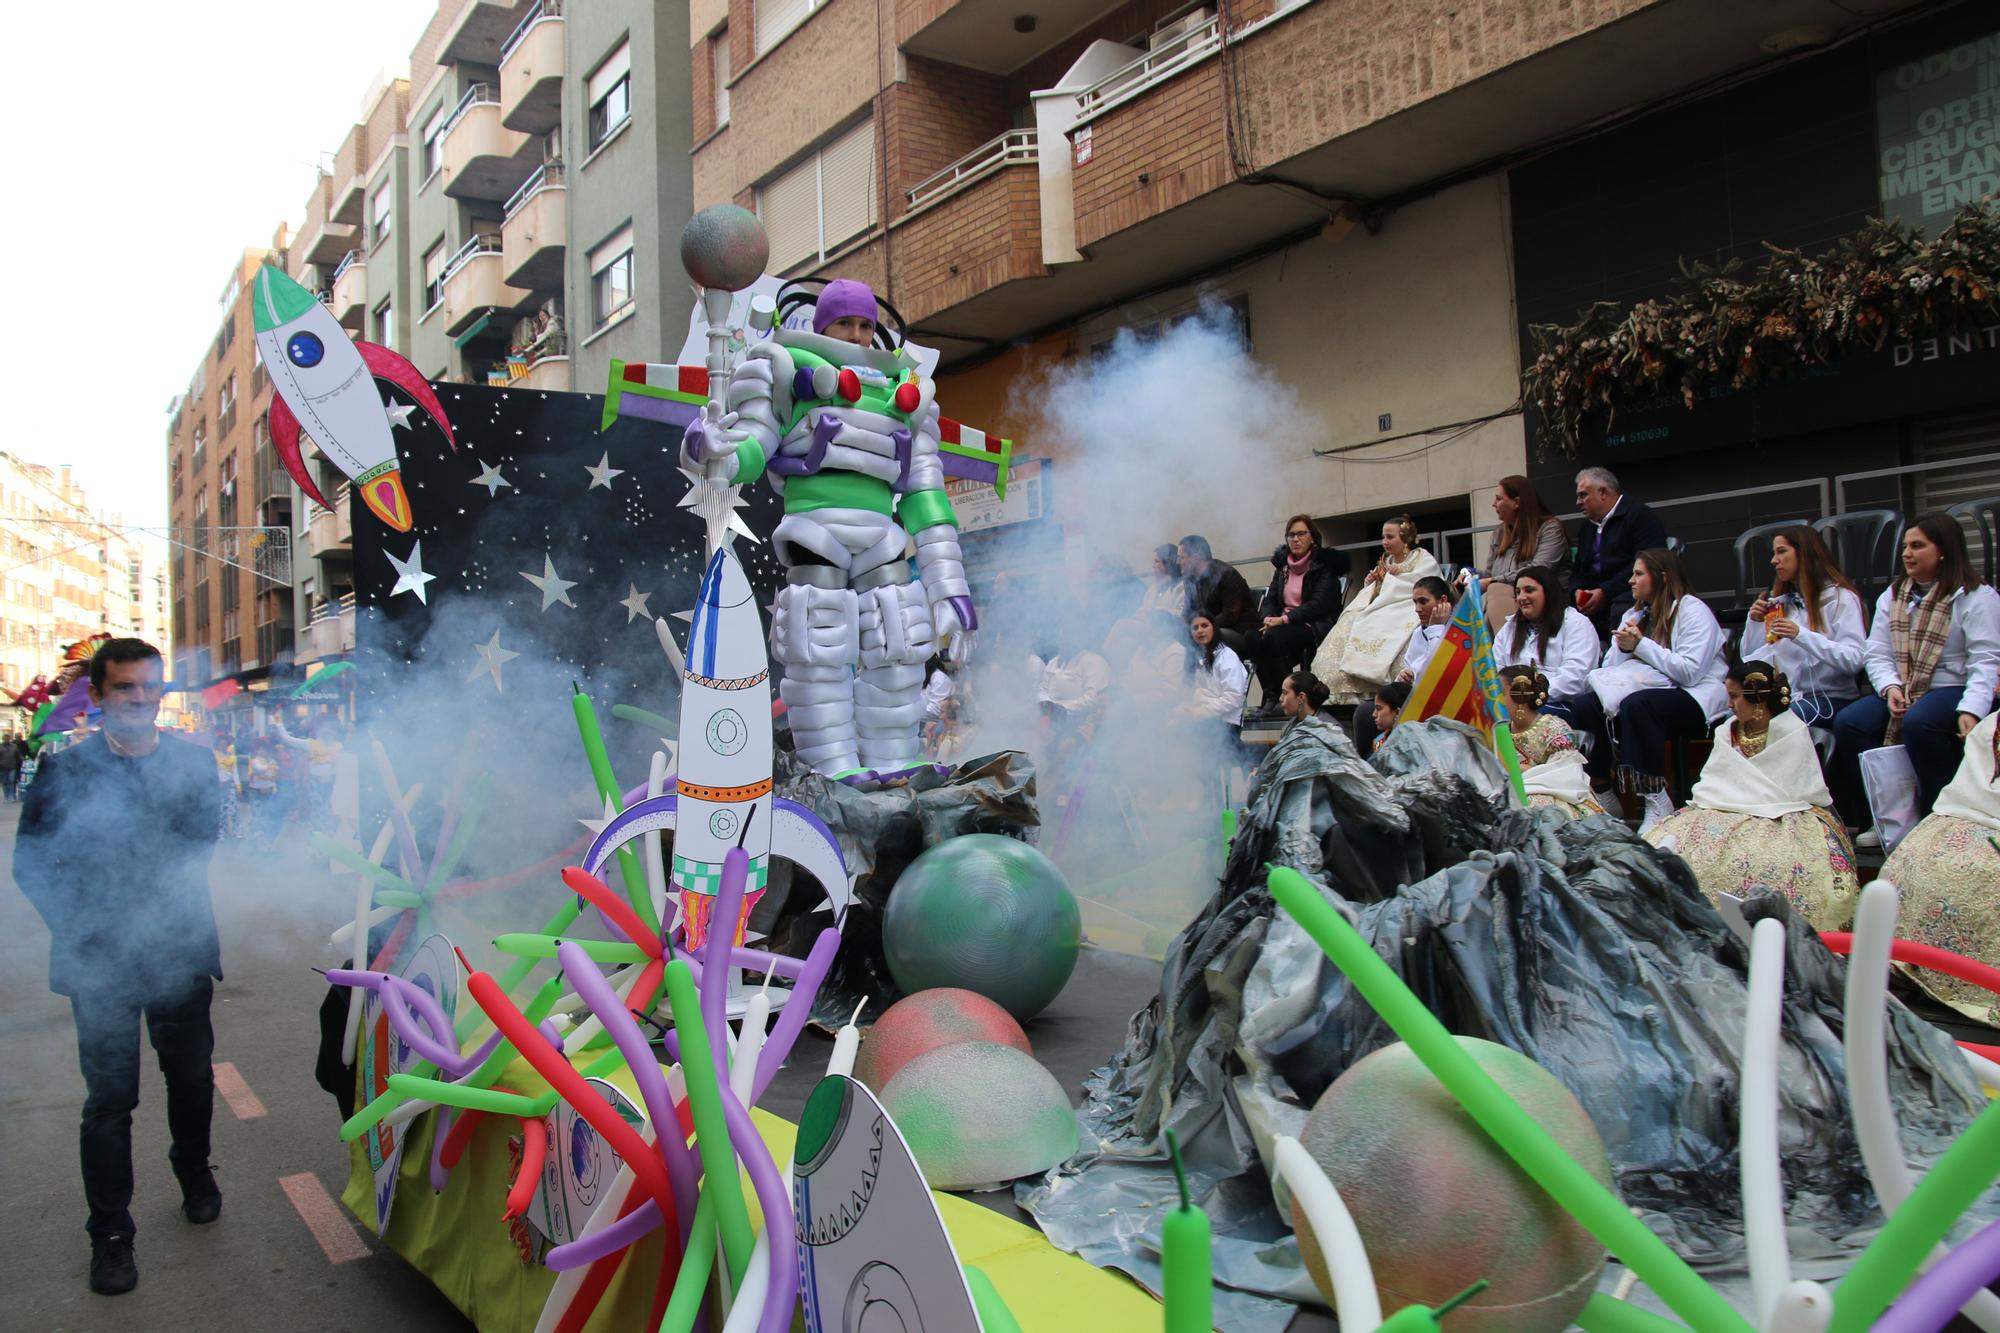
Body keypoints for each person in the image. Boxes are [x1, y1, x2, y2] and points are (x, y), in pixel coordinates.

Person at [12, 639, 224, 1296]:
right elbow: (31, 864)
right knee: (109, 1100)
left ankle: (192, 1165)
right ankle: (110, 1232)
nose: (138, 700)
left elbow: (203, 842)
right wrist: (85, 927)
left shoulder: (194, 762)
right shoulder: (64, 770)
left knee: (190, 1081)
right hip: (99, 960)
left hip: (179, 950)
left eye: (148, 688)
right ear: (98, 696)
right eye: (124, 688)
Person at [1644, 664, 1859, 931]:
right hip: (1721, 803)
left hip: (1782, 809)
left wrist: (1751, 801)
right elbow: (1716, 778)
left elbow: (1794, 784)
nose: (1729, 704)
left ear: (1757, 699)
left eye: (1735, 696)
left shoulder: (1791, 730)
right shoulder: (1727, 731)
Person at [1829, 513, 2000, 839]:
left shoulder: (1976, 597)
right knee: (1850, 722)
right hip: (1905, 685)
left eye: (1917, 546)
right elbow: (1876, 652)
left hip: (1954, 686)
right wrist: (1890, 686)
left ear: (1944, 551)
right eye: (1906, 546)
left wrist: (1971, 710)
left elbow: (1986, 661)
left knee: (1921, 721)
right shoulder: (1893, 596)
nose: (1907, 553)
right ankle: (1882, 819)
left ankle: (1937, 818)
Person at [1571, 548, 1729, 832]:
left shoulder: (1692, 609)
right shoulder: (1635, 613)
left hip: (1694, 695)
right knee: (1585, 705)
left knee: (1638, 705)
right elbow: (1611, 669)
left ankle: (1656, 799)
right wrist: (1623, 647)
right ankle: (1603, 789)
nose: (1631, 580)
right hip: (1648, 690)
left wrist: (1641, 645)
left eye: (1639, 573)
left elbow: (1690, 672)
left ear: (1662, 577)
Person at [1878, 712, 1999, 1026]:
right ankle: (1912, 968)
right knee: (1920, 862)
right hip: (1976, 811)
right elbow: (1974, 782)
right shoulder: (1992, 726)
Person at [1310, 516, 1442, 705]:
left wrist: (1390, 581)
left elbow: (1427, 585)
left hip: (1406, 605)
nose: (1385, 542)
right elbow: (1377, 591)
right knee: (1351, 620)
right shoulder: (1385, 561)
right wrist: (1373, 583)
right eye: (1383, 537)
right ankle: (1346, 690)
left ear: (1405, 538)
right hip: (1381, 605)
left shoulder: (1422, 558)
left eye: (1390, 537)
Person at [1742, 525, 1867, 725]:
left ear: (1805, 554)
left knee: (1773, 722)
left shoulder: (1842, 599)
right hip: (1787, 697)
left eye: (1782, 552)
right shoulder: (1782, 602)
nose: (1774, 561)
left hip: (1829, 698)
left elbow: (1854, 660)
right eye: (1774, 553)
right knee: (1734, 720)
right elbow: (1751, 661)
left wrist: (1800, 635)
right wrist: (1755, 623)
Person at [1248, 515, 1343, 714]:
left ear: (1312, 538)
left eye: (1301, 534)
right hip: (1284, 624)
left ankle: (1289, 694)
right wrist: (1268, 617)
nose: (1295, 539)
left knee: (1275, 636)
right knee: (1252, 637)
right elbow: (1271, 598)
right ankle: (1272, 695)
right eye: (1291, 535)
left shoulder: (1324, 566)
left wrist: (1283, 620)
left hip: (1313, 625)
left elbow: (1319, 605)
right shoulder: (1283, 567)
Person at [1572, 467, 1667, 638]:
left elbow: (1648, 563)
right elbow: (1578, 569)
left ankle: (1616, 660)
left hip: (1626, 592)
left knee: (1621, 607)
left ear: (1602, 492)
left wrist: (1605, 592)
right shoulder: (1587, 528)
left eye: (1583, 495)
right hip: (1595, 596)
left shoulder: (1639, 516)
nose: (1578, 502)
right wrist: (1577, 591)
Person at [1494, 565, 1601, 719]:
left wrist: (1530, 696)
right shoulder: (1509, 628)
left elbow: (1576, 678)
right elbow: (1496, 670)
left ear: (1548, 593)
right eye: (1518, 592)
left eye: (1529, 590)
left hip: (1562, 704)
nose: (1521, 597)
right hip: (1514, 704)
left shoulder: (1576, 623)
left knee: (1518, 719)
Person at [1501, 667, 1605, 818]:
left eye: (1501, 693)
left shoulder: (1553, 728)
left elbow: (1567, 774)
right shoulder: (1498, 730)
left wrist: (1519, 769)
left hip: (1553, 794)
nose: (1494, 700)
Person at [1469, 475, 1571, 624]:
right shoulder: (1499, 533)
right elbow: (1491, 574)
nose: (1493, 504)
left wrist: (1492, 581)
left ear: (1516, 502)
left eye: (1498, 499)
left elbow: (1539, 570)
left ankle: (1502, 645)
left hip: (1546, 609)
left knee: (1497, 591)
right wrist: (1471, 575)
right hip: (1506, 607)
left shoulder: (1550, 528)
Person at [1177, 535, 1260, 652]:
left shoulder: (1227, 575)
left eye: (1181, 558)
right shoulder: (1190, 578)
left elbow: (1229, 616)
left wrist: (1200, 627)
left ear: (1196, 557)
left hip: (1238, 631)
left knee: (1202, 635)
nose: (1178, 562)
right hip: (1209, 628)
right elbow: (1188, 611)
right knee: (1177, 633)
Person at [1397, 577, 1455, 683]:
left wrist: (1436, 628)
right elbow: (1411, 666)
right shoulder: (1418, 632)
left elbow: (1439, 671)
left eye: (1423, 601)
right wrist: (1405, 676)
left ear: (1443, 600)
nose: (1417, 609)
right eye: (1415, 602)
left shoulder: (1461, 629)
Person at [1368, 681, 1413, 755]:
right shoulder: (1379, 742)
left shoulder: (1414, 745)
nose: (1373, 714)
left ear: (1397, 712)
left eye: (1379, 708)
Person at [0, 735, 19, 800]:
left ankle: (12, 795)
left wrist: (23, 760)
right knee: (4, 782)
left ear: (10, 739)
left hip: (12, 767)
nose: (7, 740)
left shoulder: (14, 746)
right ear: (3, 739)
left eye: (8, 739)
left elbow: (18, 755)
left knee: (12, 781)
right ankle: (6, 795)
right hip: (2, 767)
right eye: (5, 739)